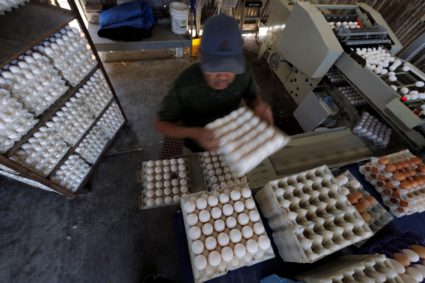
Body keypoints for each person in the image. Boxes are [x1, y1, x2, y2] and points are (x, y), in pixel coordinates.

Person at [155, 14, 273, 152]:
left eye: (230, 67)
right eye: (215, 67)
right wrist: (194, 133)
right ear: (200, 57)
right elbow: (161, 124)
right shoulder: (184, 84)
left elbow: (252, 99)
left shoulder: (243, 73)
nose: (223, 76)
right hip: (197, 144)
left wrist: (258, 105)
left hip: (230, 138)